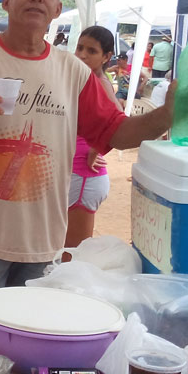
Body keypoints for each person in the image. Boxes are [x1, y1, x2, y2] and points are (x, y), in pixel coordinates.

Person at [0, 0, 179, 327]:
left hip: (41, 242)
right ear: (7, 1)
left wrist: (167, 115)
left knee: (29, 340)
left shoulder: (73, 72)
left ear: (58, 9)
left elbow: (115, 133)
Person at [65, 26, 120, 250]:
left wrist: (96, 149)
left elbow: (118, 122)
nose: (82, 55)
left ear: (106, 57)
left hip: (83, 176)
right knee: (63, 251)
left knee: (72, 255)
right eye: (79, 48)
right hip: (75, 174)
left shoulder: (100, 83)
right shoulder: (83, 79)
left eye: (91, 51)